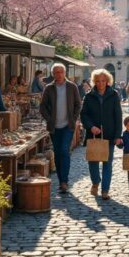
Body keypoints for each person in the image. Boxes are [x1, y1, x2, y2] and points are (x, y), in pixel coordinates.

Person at [80, 69, 122, 200]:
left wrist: (118, 135)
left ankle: (105, 190)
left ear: (108, 81)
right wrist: (91, 126)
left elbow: (118, 116)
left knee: (107, 163)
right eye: (98, 81)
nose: (101, 83)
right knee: (92, 162)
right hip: (93, 135)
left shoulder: (114, 95)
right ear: (94, 82)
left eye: (103, 81)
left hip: (109, 134)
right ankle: (95, 181)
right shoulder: (89, 96)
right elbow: (83, 115)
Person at [40, 63, 82, 193]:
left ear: (65, 73)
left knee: (64, 150)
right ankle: (60, 180)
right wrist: (49, 119)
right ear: (53, 74)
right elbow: (43, 106)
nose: (58, 74)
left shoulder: (72, 87)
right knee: (57, 153)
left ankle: (64, 181)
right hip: (54, 126)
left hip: (67, 126)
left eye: (61, 72)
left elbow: (78, 104)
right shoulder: (49, 88)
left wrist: (73, 119)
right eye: (56, 72)